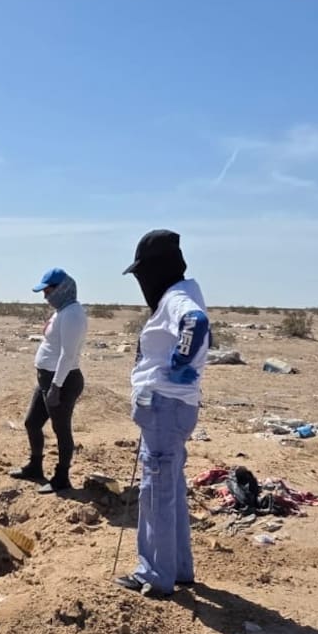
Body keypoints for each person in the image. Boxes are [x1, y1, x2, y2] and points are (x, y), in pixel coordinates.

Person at [115, 230, 210, 597]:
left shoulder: (176, 298)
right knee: (170, 486)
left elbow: (195, 323)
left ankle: (155, 574)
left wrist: (179, 360)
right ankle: (178, 568)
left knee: (156, 490)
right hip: (173, 406)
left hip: (164, 405)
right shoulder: (186, 291)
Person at [9, 268, 88, 494]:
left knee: (61, 430)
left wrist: (56, 386)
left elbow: (68, 354)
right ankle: (35, 466)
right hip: (48, 378)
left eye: (48, 291)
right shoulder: (62, 311)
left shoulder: (73, 314)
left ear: (61, 288)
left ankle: (61, 478)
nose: (45, 296)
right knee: (32, 423)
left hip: (62, 380)